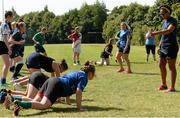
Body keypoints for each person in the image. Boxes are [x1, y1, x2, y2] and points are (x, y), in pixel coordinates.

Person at [10, 61, 95, 116]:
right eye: (94, 74)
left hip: (51, 81)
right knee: (44, 105)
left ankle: (12, 99)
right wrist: (79, 107)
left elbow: (69, 85)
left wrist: (68, 103)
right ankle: (20, 104)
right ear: (90, 73)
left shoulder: (77, 72)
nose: (93, 76)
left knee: (35, 101)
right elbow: (78, 91)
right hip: (56, 84)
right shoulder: (84, 77)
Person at [151, 5, 179, 92]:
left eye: (163, 14)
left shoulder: (173, 20)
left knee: (171, 67)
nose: (161, 15)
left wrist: (155, 33)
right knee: (161, 65)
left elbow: (168, 31)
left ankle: (172, 87)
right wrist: (159, 45)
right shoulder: (164, 21)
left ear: (168, 12)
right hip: (163, 46)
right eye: (160, 14)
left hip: (171, 46)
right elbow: (163, 35)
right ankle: (164, 85)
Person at [0, 11, 13, 85]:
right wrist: (9, 48)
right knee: (7, 64)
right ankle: (3, 81)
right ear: (8, 16)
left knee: (7, 64)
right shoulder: (5, 25)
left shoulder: (5, 24)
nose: (12, 18)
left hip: (3, 44)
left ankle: (3, 80)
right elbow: (5, 38)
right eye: (11, 16)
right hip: (2, 44)